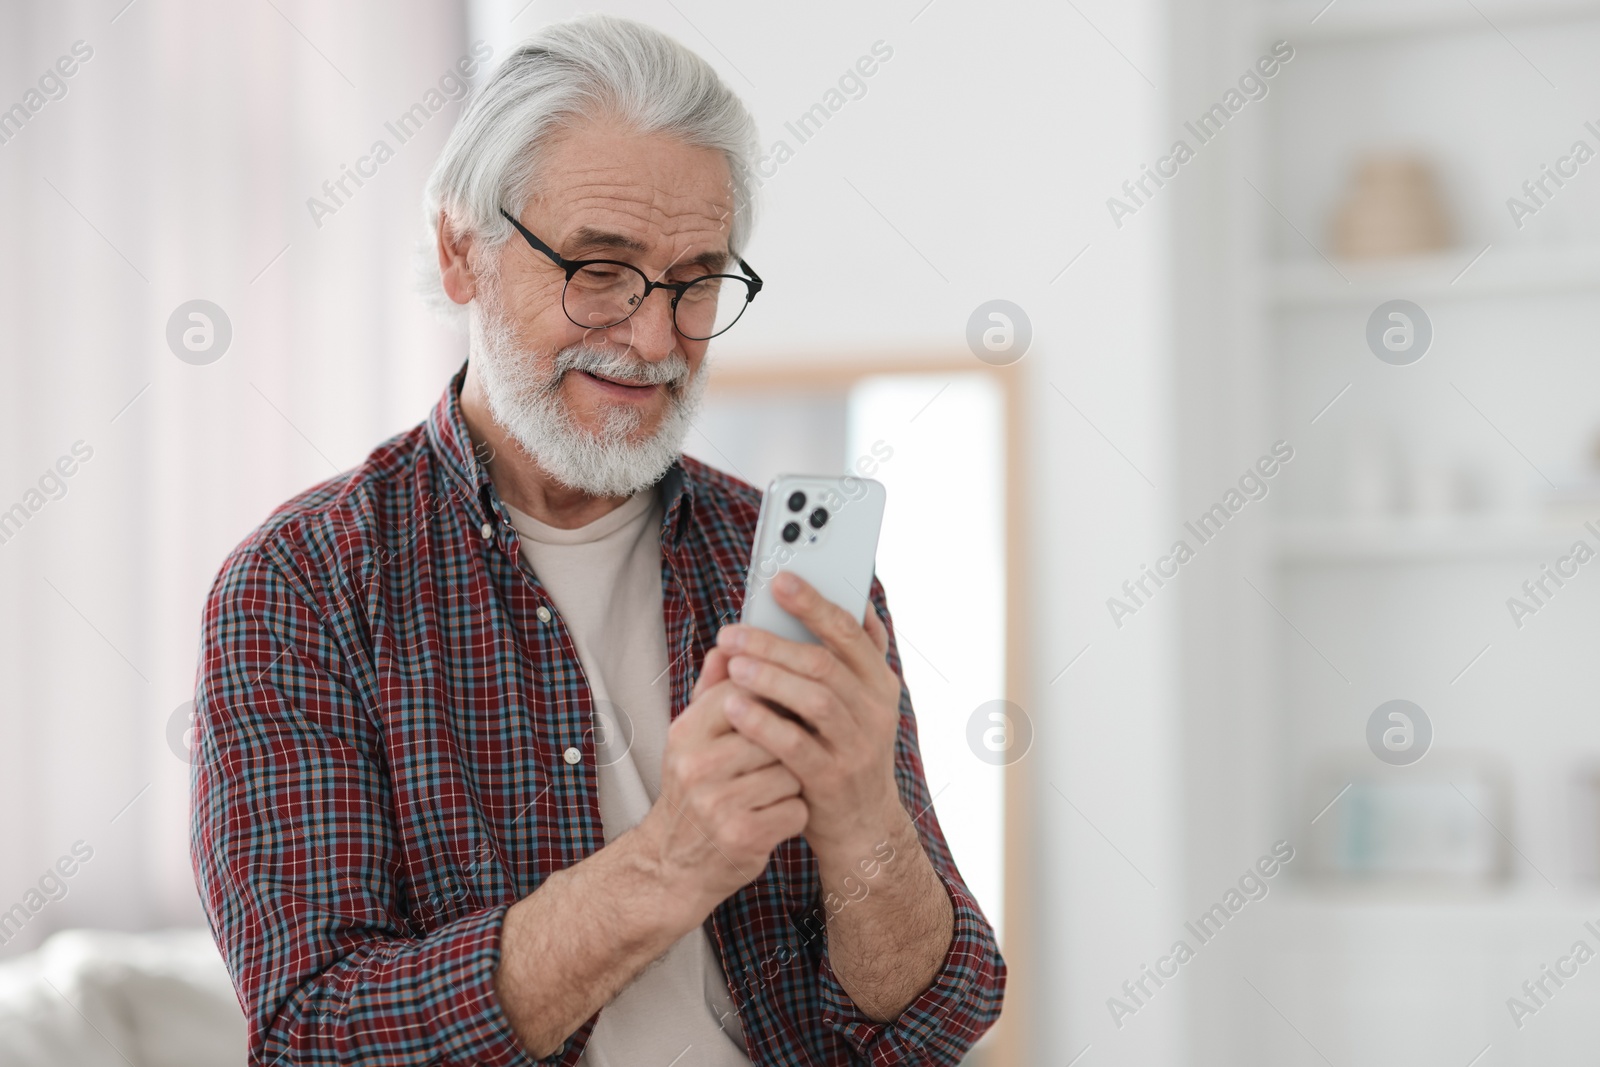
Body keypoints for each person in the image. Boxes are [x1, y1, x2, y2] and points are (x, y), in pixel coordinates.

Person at [191, 14, 1003, 1065]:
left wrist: (863, 819)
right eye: (602, 268)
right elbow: (314, 1035)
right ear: (459, 251)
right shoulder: (301, 584)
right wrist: (668, 863)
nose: (656, 336)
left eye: (698, 277)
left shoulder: (779, 567)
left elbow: (936, 1013)